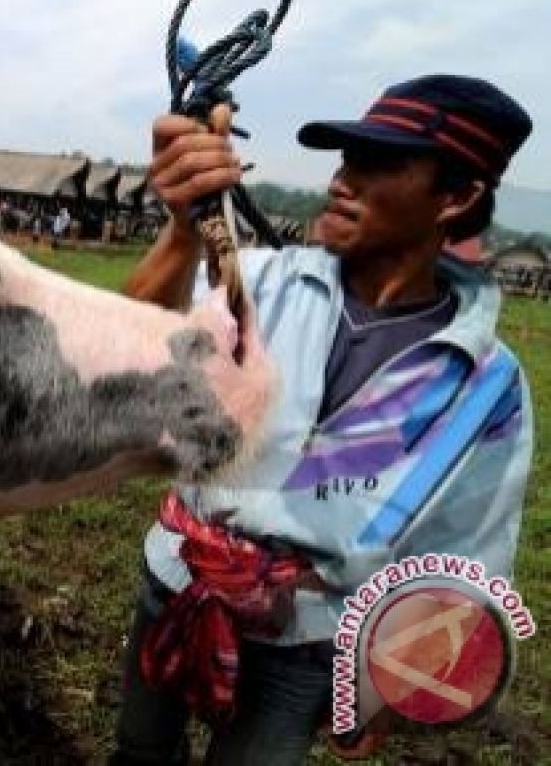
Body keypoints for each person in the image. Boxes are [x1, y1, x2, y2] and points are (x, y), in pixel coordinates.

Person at [111, 75, 534, 765]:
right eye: (346, 157)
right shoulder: (257, 282)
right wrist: (182, 228)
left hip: (310, 640)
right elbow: (130, 358)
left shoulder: (489, 386)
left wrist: (387, 681)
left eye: (379, 163)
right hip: (177, 580)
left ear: (456, 198)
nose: (343, 179)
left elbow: (468, 549)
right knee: (138, 748)